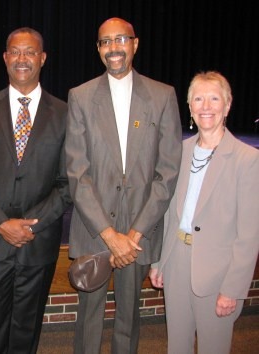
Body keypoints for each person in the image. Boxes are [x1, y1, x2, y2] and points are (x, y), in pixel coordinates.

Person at [65, 17, 182, 353]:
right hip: (94, 231)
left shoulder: (162, 96)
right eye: (105, 42)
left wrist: (133, 235)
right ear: (98, 49)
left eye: (120, 39)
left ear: (135, 43)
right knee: (88, 320)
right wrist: (109, 235)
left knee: (129, 320)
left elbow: (168, 172)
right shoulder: (81, 97)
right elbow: (77, 172)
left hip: (138, 236)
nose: (113, 48)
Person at [0, 27, 72, 353]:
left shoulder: (65, 113)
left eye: (30, 51)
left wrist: (28, 225)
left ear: (43, 58)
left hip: (39, 240)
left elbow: (67, 183)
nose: (22, 58)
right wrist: (2, 223)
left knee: (28, 323)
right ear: (6, 58)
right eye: (15, 51)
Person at [149, 71, 259, 354]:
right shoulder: (180, 151)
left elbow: (249, 235)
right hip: (176, 264)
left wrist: (232, 288)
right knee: (177, 346)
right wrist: (159, 262)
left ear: (227, 105)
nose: (206, 106)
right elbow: (168, 215)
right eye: (198, 99)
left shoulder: (248, 159)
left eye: (214, 98)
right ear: (190, 107)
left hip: (217, 272)